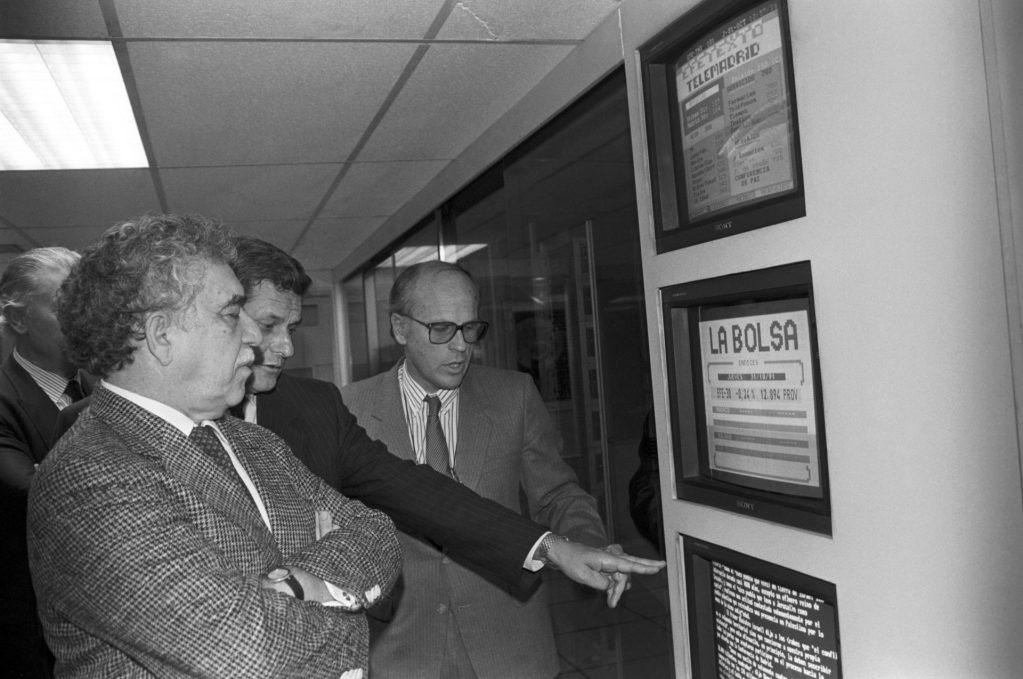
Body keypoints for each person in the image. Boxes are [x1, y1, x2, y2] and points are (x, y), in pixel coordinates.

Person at [54, 238, 664, 600]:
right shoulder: (89, 458)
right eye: (260, 324)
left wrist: (553, 546)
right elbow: (240, 646)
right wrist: (331, 599)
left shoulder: (294, 419)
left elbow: (394, 505)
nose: (282, 348)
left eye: (286, 327)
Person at [28, 214, 401, 678]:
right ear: (161, 335)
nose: (252, 336)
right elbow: (244, 650)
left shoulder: (255, 443)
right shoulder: (87, 478)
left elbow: (377, 534)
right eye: (230, 313)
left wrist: (296, 589)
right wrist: (341, 595)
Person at [339, 260, 616, 678]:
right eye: (442, 329)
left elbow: (558, 494)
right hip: (401, 649)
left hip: (507, 639)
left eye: (470, 329)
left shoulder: (513, 396)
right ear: (399, 328)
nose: (460, 346)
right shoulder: (350, 409)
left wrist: (588, 542)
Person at [0, 247, 90, 678]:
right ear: (18, 319)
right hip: (30, 632)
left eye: (87, 302)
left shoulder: (112, 388)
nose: (84, 318)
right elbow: (41, 496)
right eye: (64, 305)